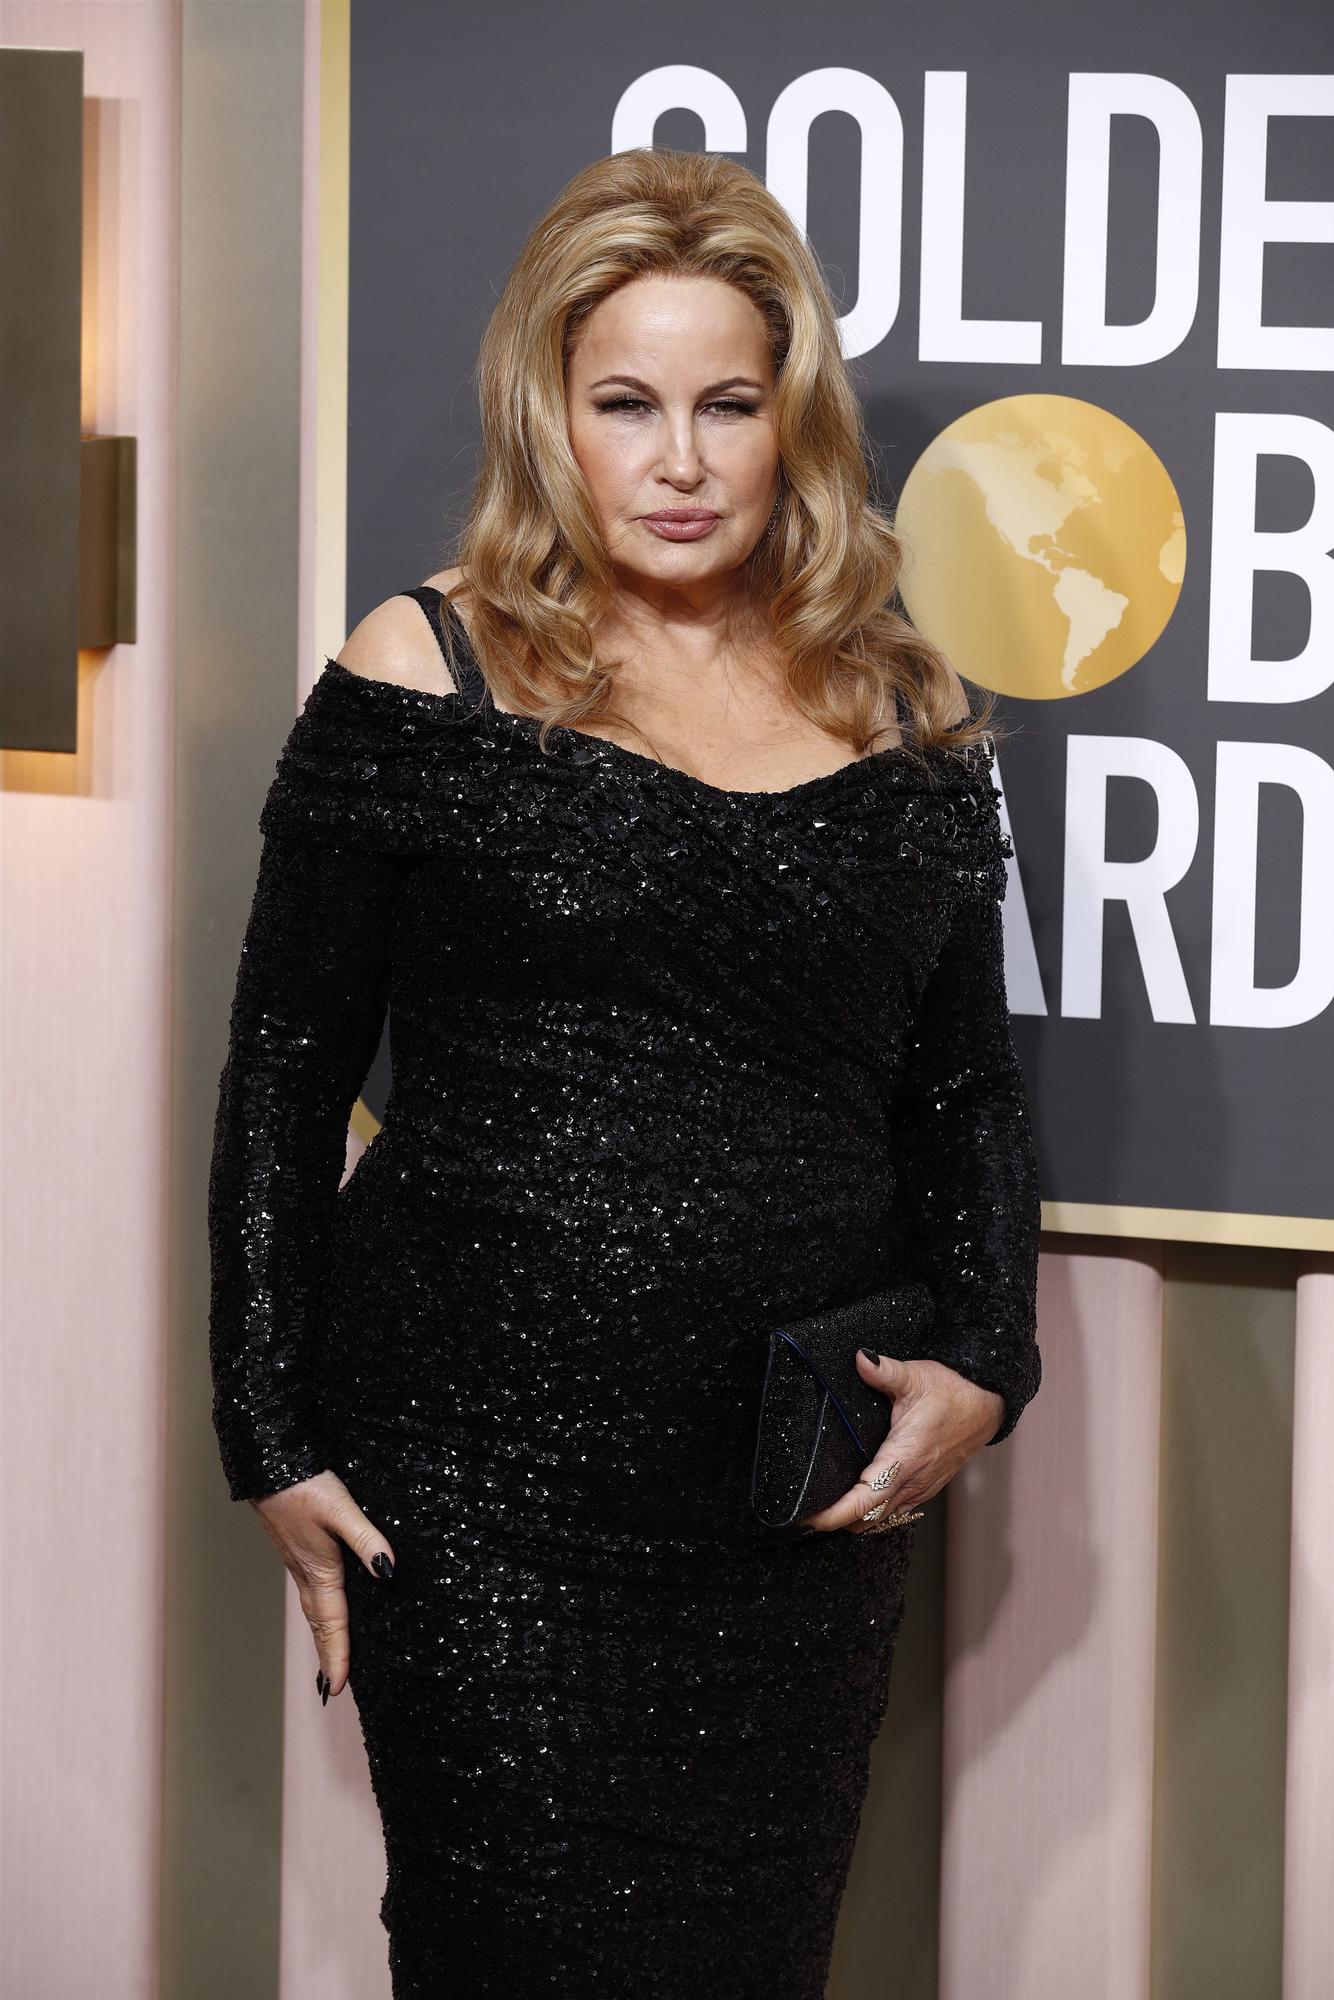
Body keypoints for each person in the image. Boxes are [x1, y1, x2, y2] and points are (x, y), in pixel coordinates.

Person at [207, 146, 1042, 1998]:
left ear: (790, 421)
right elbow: (281, 1072)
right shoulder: (425, 672)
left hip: (791, 1498)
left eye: (728, 404)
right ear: (550, 416)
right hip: (478, 1491)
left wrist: (989, 1355)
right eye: (627, 405)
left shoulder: (905, 702)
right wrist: (264, 1428)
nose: (678, 460)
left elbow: (964, 1090)